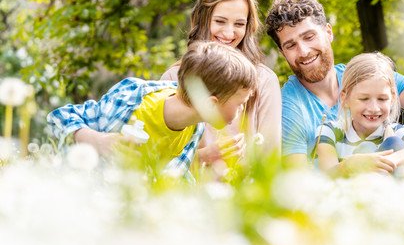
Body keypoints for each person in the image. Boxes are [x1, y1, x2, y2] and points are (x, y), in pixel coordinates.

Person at [265, 0, 404, 179]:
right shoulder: (289, 105)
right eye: (291, 45)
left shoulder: (365, 77)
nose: (303, 51)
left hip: (395, 170)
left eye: (309, 36)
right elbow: (297, 182)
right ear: (282, 53)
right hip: (348, 191)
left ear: (328, 33)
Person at [47, 41, 257, 182]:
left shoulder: (193, 128)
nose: (241, 110)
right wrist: (96, 140)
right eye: (240, 104)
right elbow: (58, 118)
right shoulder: (133, 97)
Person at [161, 0, 281, 165]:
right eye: (220, 21)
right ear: (203, 19)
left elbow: (271, 159)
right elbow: (158, 157)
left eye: (239, 24)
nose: (228, 33)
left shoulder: (264, 80)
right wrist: (202, 157)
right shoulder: (173, 78)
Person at [316, 52, 404, 177]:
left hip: (388, 190)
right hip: (351, 192)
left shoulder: (392, 130)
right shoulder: (330, 130)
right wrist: (351, 165)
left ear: (392, 98)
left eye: (382, 99)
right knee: (365, 148)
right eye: (364, 99)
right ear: (345, 98)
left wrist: (392, 159)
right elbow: (327, 173)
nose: (374, 108)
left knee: (394, 143)